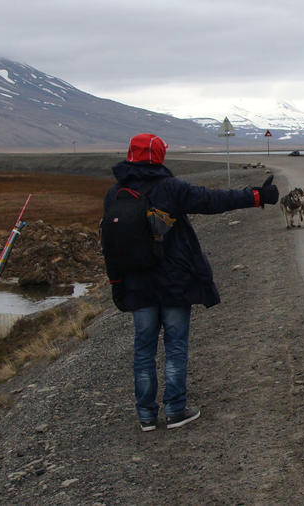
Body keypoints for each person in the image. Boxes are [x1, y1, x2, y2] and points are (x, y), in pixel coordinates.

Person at [103, 133, 279, 432]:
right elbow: (213, 200)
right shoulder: (171, 189)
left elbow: (109, 242)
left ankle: (146, 416)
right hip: (174, 282)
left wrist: (116, 281)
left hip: (136, 284)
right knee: (175, 345)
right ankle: (174, 410)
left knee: (143, 348)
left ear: (130, 155)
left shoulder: (115, 194)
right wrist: (257, 196)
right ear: (159, 157)